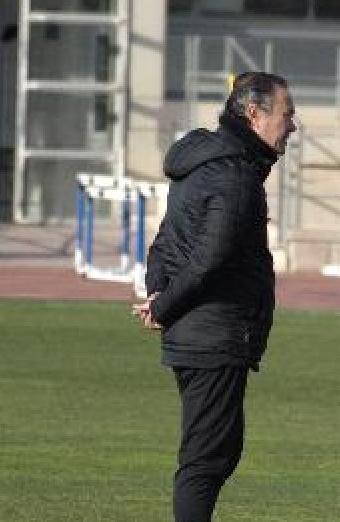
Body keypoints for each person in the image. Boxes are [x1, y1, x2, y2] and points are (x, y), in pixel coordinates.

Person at [132, 72, 297, 522]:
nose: (293, 125)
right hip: (213, 333)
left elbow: (167, 240)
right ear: (254, 114)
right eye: (287, 114)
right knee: (206, 460)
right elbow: (209, 257)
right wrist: (162, 306)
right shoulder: (235, 174)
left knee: (216, 453)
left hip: (198, 331)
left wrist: (158, 297)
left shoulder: (204, 163)